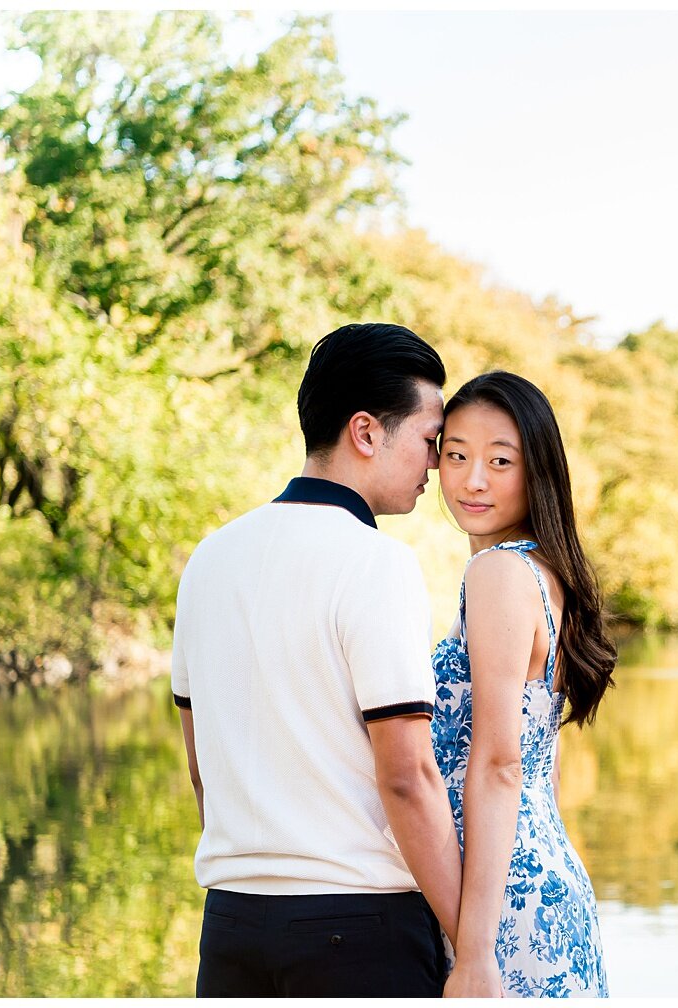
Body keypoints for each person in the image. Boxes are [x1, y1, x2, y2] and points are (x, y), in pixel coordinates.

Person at [172, 322, 461, 996]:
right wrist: (470, 943)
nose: (435, 465)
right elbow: (408, 777)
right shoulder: (377, 562)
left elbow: (200, 768)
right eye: (428, 441)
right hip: (360, 933)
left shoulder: (209, 559)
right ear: (366, 432)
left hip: (232, 931)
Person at [432, 370, 615, 997]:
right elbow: (548, 768)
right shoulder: (541, 571)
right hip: (540, 881)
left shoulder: (499, 574)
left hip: (504, 910)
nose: (471, 479)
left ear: (536, 469)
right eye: (455, 455)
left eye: (499, 461)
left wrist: (475, 951)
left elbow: (501, 764)